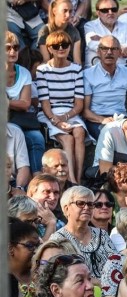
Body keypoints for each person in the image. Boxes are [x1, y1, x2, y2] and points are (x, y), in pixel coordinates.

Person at [84, 0, 127, 118]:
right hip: (98, 67)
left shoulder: (125, 26)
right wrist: (121, 47)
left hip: (123, 66)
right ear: (98, 13)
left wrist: (116, 46)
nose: (110, 12)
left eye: (113, 9)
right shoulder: (90, 26)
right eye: (105, 10)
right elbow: (93, 44)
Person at [36, 31, 88, 185]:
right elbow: (45, 104)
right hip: (49, 114)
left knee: (79, 132)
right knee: (67, 138)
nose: (61, 48)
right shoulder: (42, 70)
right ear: (49, 49)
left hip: (70, 112)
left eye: (64, 45)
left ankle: (77, 179)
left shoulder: (76, 69)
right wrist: (57, 122)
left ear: (70, 47)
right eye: (56, 46)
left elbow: (79, 104)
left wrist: (65, 118)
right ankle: (70, 179)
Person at [49, 186, 118, 279]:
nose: (86, 207)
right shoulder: (58, 240)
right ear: (66, 209)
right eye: (80, 203)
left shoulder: (102, 235)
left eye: (90, 204)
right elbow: (60, 277)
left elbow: (116, 266)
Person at [6, 31, 45, 175]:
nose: (12, 51)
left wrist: (6, 102)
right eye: (7, 48)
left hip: (20, 119)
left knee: (37, 137)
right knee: (15, 133)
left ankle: (37, 177)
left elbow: (25, 104)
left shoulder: (23, 73)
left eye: (15, 48)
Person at [37, 0, 83, 65]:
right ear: (54, 11)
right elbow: (46, 60)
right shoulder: (45, 31)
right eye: (65, 11)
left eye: (70, 11)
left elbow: (77, 61)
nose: (68, 15)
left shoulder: (74, 31)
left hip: (69, 67)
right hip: (50, 67)